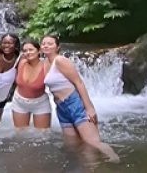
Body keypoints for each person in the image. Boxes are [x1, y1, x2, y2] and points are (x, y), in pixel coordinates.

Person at [41, 34, 120, 163]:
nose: (46, 45)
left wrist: (89, 108)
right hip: (61, 108)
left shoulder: (60, 61)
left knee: (92, 142)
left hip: (74, 103)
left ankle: (115, 160)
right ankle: (87, 167)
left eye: (50, 43)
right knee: (73, 144)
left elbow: (79, 83)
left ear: (57, 47)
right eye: (43, 43)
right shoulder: (44, 63)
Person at [11, 40, 52, 128]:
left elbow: (57, 84)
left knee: (42, 135)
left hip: (40, 103)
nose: (28, 53)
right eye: (25, 51)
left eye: (31, 49)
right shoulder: (21, 62)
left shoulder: (46, 65)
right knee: (20, 135)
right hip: (19, 102)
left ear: (39, 51)